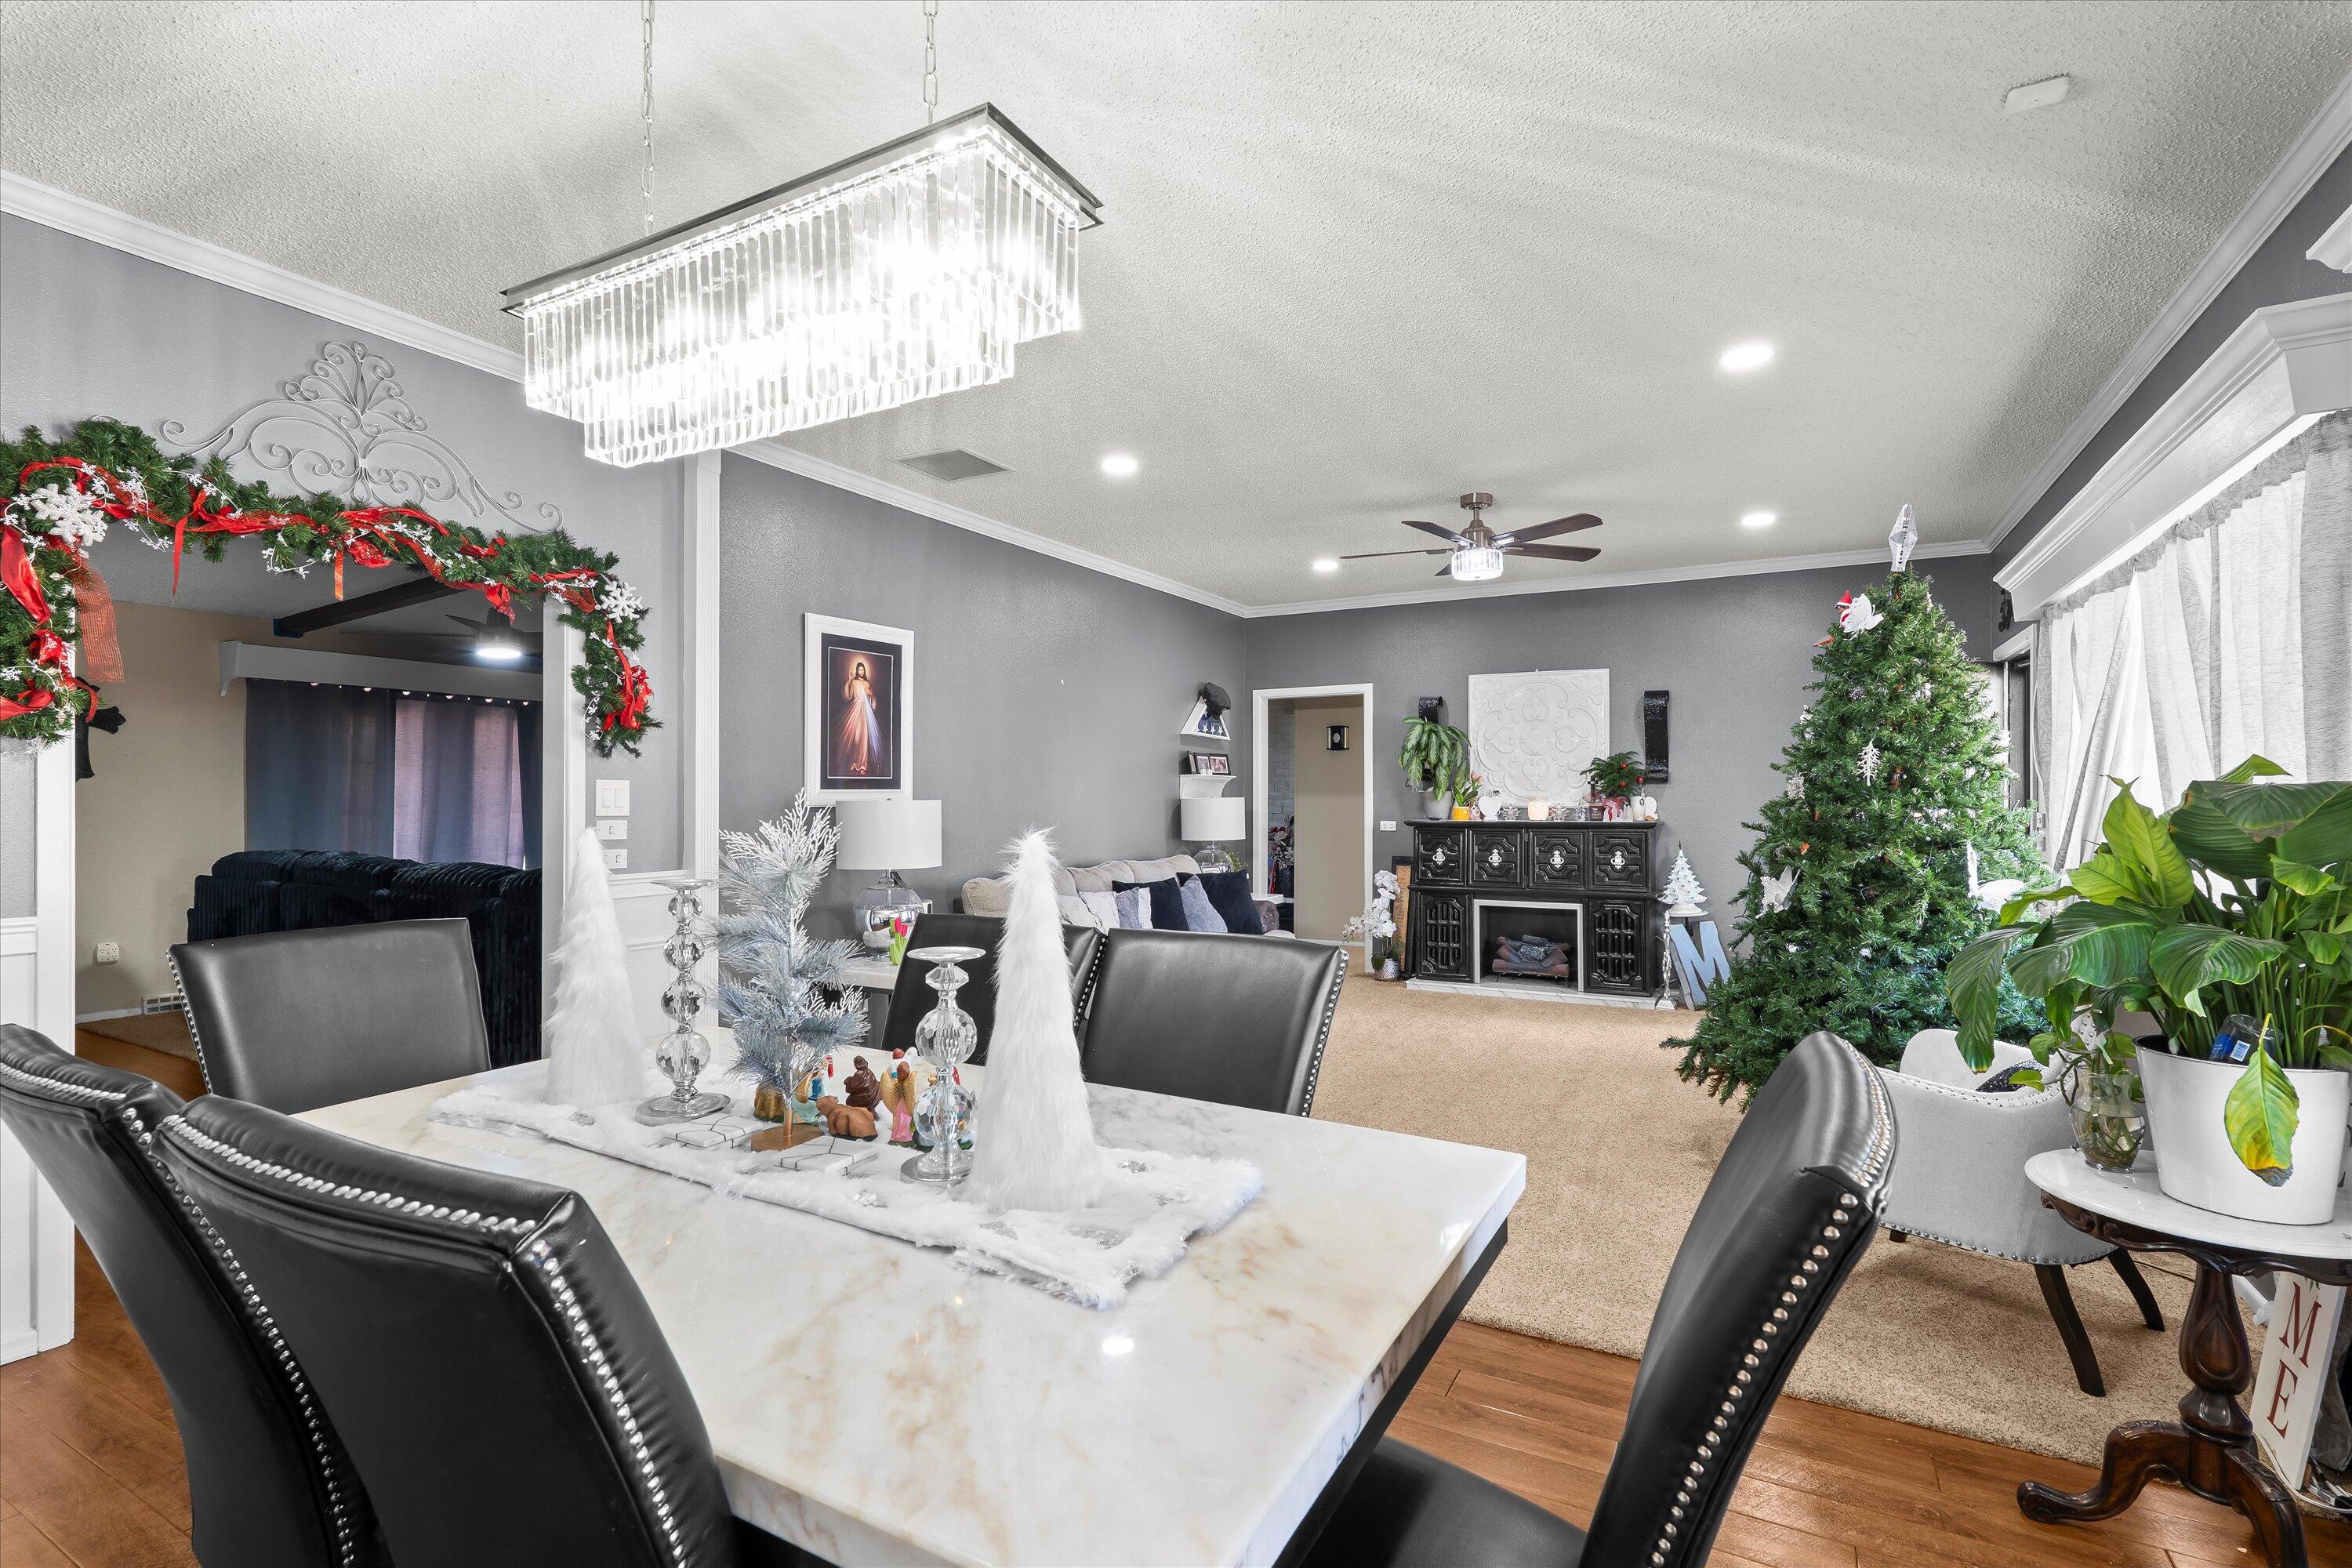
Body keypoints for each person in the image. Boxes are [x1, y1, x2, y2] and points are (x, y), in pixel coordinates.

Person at [837, 659, 880, 776]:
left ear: (864, 671)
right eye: (859, 669)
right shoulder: (855, 682)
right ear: (857, 671)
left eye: (862, 669)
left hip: (865, 711)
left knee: (864, 738)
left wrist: (872, 695)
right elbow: (848, 695)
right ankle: (855, 762)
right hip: (855, 711)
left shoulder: (867, 683)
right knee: (856, 738)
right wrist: (850, 680)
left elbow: (872, 700)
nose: (861, 671)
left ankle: (863, 765)